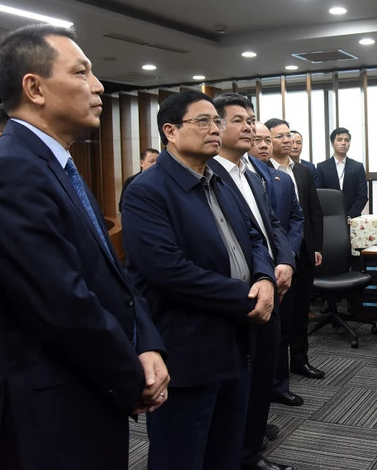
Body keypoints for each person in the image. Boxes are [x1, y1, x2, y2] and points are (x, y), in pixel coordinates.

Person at [0, 24, 169, 469]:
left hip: (89, 390)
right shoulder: (9, 170)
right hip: (55, 411)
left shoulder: (55, 164)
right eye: (81, 72)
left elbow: (111, 276)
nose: (98, 86)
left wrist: (146, 345)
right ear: (34, 88)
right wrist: (130, 375)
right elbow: (62, 302)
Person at [121, 90, 276, 470]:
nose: (215, 129)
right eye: (203, 121)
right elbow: (168, 270)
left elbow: (254, 236)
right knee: (182, 456)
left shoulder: (217, 180)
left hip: (235, 344)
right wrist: (246, 297)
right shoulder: (147, 190)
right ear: (170, 131)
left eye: (217, 122)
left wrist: (264, 278)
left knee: (225, 451)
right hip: (188, 350)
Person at [209, 93, 297, 470]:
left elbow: (271, 225)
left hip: (271, 288)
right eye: (239, 120)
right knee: (236, 388)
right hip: (240, 295)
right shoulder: (209, 175)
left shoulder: (255, 172)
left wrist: (286, 260)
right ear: (216, 126)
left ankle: (250, 453)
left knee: (262, 380)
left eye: (251, 119)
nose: (248, 127)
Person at [250, 121, 307, 407]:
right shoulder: (235, 180)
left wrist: (288, 256)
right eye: (257, 140)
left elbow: (296, 218)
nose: (263, 145)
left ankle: (279, 385)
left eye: (266, 140)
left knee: (282, 329)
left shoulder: (282, 179)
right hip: (253, 270)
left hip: (284, 267)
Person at [266, 118, 325, 380]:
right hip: (278, 254)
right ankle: (278, 371)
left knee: (301, 310)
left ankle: (300, 360)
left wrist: (316, 246)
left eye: (288, 135)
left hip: (304, 250)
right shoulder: (262, 171)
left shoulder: (302, 171)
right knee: (282, 314)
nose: (287, 140)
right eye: (279, 136)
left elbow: (314, 211)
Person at [316, 128, 368, 217]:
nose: (343, 143)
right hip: (329, 217)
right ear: (332, 143)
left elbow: (362, 196)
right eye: (339, 140)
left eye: (346, 140)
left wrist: (350, 215)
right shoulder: (322, 167)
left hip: (353, 217)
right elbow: (319, 194)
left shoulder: (358, 167)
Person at [118, 148, 159, 212]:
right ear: (141, 163)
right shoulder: (131, 181)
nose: (155, 164)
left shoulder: (163, 181)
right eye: (151, 161)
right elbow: (122, 206)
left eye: (157, 162)